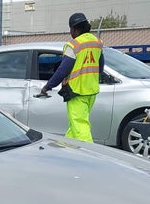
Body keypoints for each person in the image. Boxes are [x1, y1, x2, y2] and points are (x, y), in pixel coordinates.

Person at [40, 12, 104, 142]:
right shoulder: (97, 43)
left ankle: (89, 156)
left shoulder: (74, 45)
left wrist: (47, 86)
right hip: (91, 91)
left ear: (74, 29)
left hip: (76, 92)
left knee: (80, 126)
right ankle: (67, 147)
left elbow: (62, 70)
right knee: (75, 124)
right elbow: (100, 67)